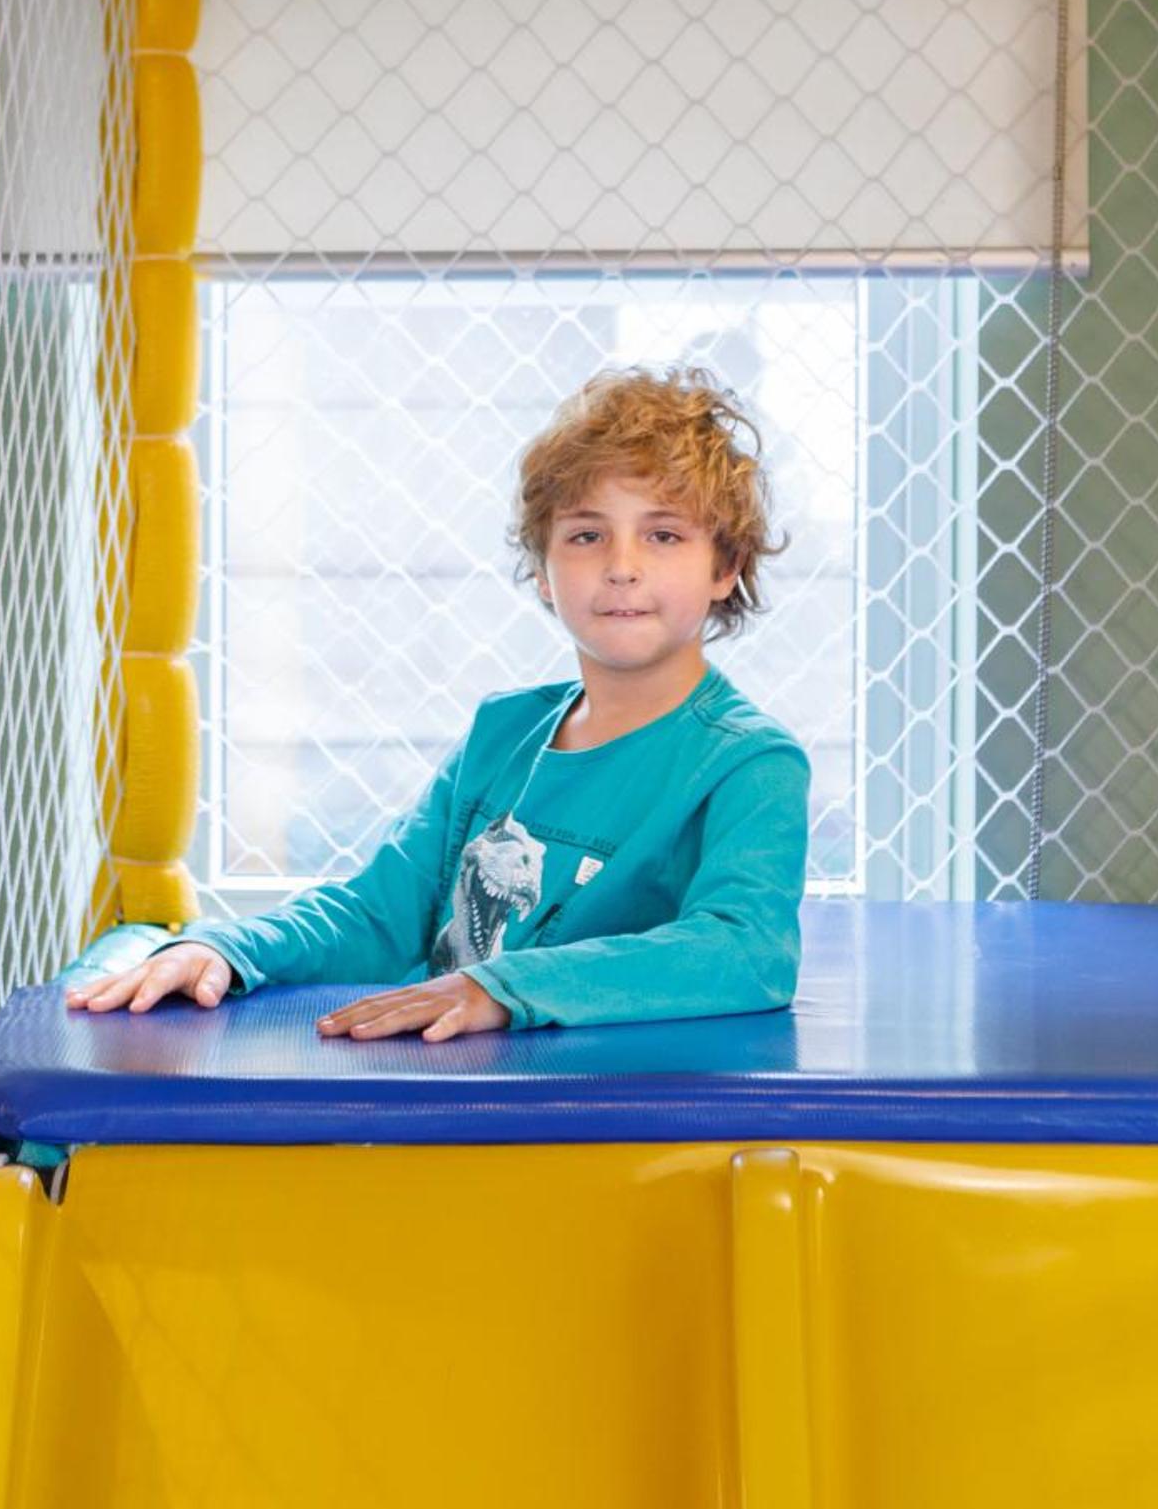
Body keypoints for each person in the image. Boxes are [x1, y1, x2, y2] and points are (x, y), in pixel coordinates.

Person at [68, 363, 812, 1043]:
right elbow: (380, 911)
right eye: (587, 535)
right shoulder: (504, 732)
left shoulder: (748, 762)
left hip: (597, 1118)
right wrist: (225, 948)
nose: (622, 567)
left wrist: (500, 988)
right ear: (543, 571)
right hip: (441, 1094)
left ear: (725, 567)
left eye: (663, 534)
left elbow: (746, 950)